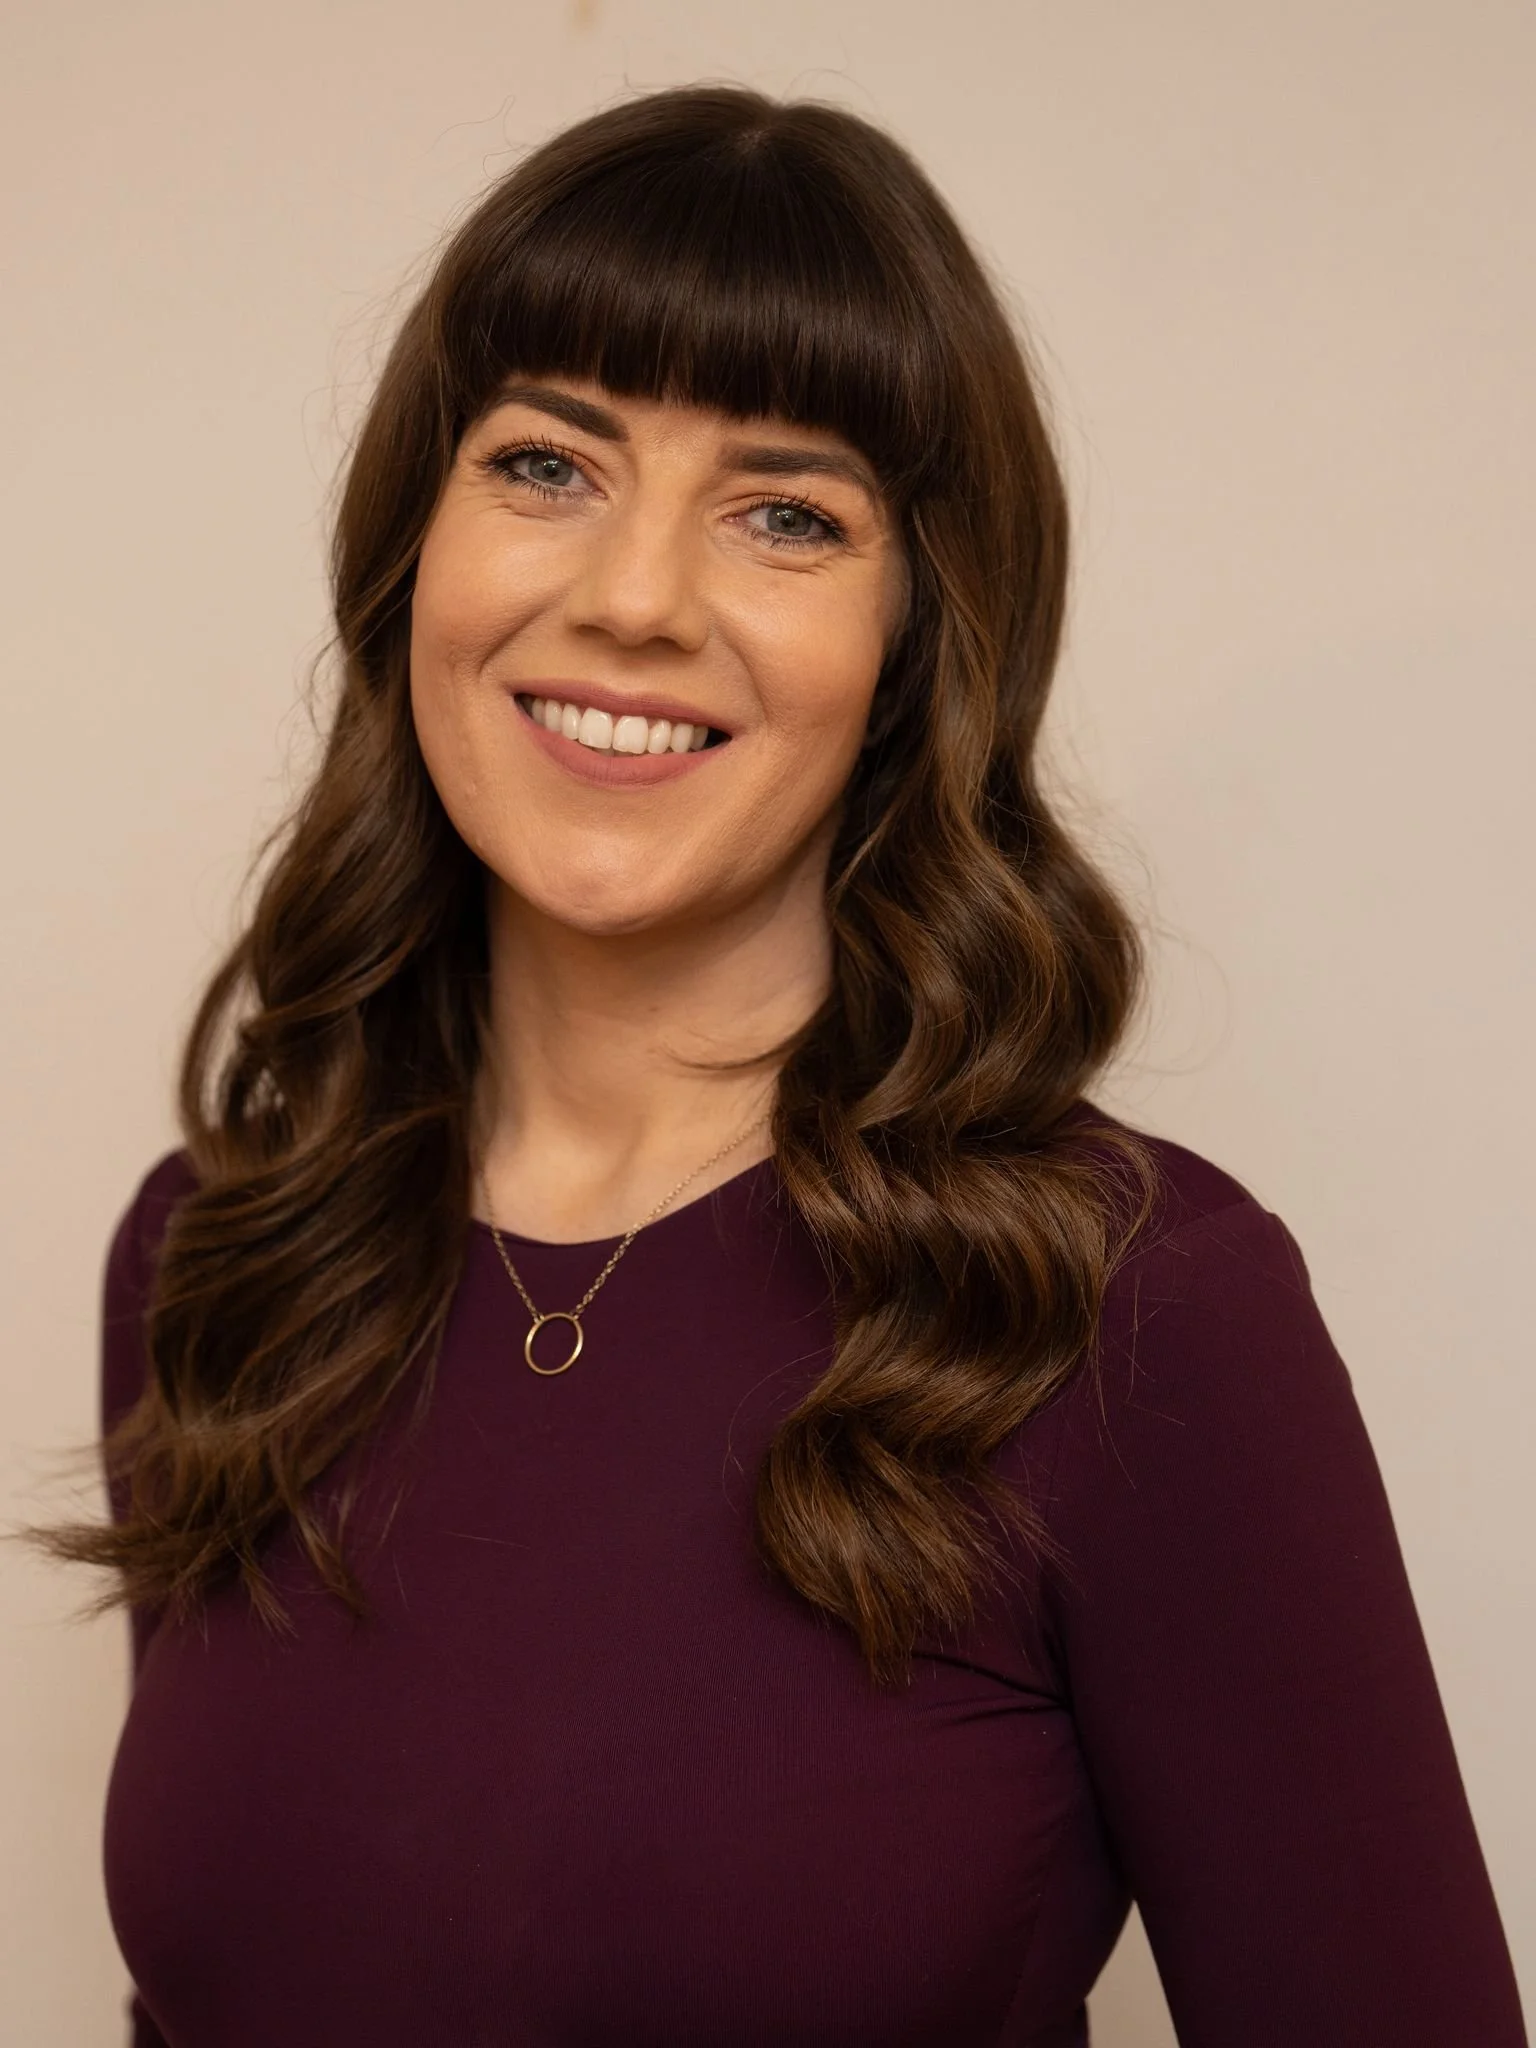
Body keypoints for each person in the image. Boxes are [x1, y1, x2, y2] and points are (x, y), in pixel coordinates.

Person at [38, 85, 1524, 2048]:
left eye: (785, 511)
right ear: (416, 544)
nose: (636, 593)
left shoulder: (1130, 1309)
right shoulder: (225, 1258)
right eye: (549, 462)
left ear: (916, 640)